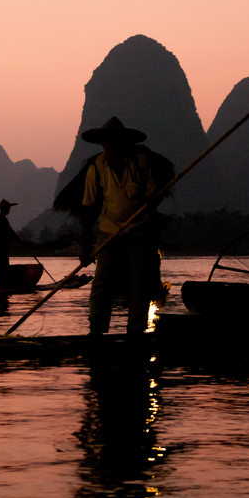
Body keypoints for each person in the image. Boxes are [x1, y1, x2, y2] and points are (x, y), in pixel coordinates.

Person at [73, 116, 174, 336]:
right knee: (101, 285)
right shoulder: (96, 168)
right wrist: (85, 246)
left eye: (114, 142)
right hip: (109, 233)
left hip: (139, 233)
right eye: (106, 142)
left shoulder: (140, 163)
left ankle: (136, 333)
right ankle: (96, 330)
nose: (110, 146)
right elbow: (88, 209)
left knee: (139, 285)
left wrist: (150, 201)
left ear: (124, 143)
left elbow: (152, 197)